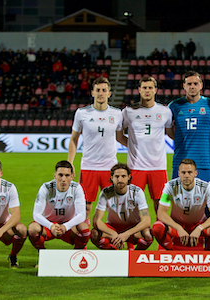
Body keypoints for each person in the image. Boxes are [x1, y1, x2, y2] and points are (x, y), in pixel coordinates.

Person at [68, 77, 123, 222]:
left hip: (110, 168)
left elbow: (120, 137)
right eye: (98, 90)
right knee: (85, 207)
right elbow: (74, 139)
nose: (100, 93)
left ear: (109, 94)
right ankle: (83, 242)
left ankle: (113, 240)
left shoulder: (117, 114)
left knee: (114, 207)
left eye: (104, 90)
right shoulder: (82, 113)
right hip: (89, 167)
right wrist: (70, 162)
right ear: (92, 93)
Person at [117, 76, 173, 212]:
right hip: (136, 167)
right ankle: (137, 233)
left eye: (150, 88)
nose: (147, 91)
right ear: (139, 90)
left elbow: (171, 133)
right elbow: (118, 136)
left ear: (155, 90)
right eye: (144, 88)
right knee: (132, 204)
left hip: (158, 167)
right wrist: (132, 146)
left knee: (161, 203)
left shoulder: (165, 111)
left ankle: (161, 231)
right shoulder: (128, 112)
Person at [152, 159, 210, 250]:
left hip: (199, 226)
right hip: (177, 226)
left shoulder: (206, 187)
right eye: (183, 172)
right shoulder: (170, 186)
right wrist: (178, 228)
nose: (186, 175)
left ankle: (206, 253)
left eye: (190, 172)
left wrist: (200, 228)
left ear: (195, 173)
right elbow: (161, 213)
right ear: (178, 173)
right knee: (157, 228)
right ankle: (171, 251)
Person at [168, 71, 210, 183]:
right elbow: (168, 129)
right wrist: (180, 137)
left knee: (206, 199)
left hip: (204, 162)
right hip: (180, 162)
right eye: (189, 84)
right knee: (174, 198)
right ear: (184, 86)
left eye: (195, 84)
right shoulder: (174, 106)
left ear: (201, 85)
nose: (192, 86)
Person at [28, 161, 89, 252]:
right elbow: (36, 214)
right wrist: (51, 226)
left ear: (72, 177)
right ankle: (43, 254)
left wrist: (65, 226)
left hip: (69, 226)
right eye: (60, 175)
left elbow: (82, 215)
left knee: (84, 228)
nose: (63, 179)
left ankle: (76, 256)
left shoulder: (76, 188)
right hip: (49, 225)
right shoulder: (46, 188)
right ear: (55, 176)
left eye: (67, 175)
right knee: (33, 228)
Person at [91, 163, 153, 250]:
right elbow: (96, 221)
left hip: (133, 228)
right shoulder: (106, 192)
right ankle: (112, 252)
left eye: (123, 176)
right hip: (113, 227)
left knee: (147, 234)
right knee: (94, 234)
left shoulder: (137, 192)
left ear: (129, 177)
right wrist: (113, 233)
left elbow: (147, 221)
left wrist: (127, 233)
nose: (120, 179)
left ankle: (135, 256)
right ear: (112, 178)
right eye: (117, 176)